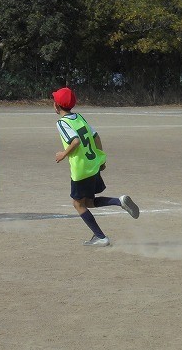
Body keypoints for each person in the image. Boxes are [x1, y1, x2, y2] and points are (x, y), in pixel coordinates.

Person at [53, 87, 139, 247]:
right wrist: (101, 159)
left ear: (56, 106)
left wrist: (63, 154)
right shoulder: (79, 117)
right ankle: (119, 201)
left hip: (81, 170)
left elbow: (75, 141)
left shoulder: (62, 123)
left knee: (78, 204)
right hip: (93, 164)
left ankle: (101, 237)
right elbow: (96, 136)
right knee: (89, 202)